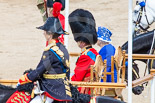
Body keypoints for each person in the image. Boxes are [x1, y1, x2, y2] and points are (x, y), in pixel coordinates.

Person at [7, 17, 72, 103]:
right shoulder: (63, 49)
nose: (43, 34)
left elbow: (39, 71)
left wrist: (25, 78)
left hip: (51, 89)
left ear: (50, 34)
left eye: (45, 31)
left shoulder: (50, 51)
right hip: (63, 88)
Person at [69, 9, 98, 94]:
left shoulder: (85, 57)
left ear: (82, 42)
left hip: (84, 91)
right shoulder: (93, 52)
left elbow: (76, 79)